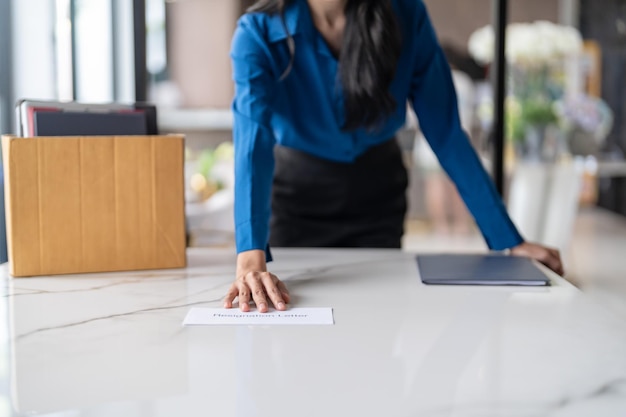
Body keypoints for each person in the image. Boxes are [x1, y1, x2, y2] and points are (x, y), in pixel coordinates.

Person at [224, 0, 564, 313]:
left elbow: (445, 132)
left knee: (378, 323)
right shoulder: (256, 34)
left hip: (377, 194)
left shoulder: (405, 15)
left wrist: (509, 241)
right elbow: (253, 143)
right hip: (297, 197)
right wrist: (250, 257)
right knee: (294, 328)